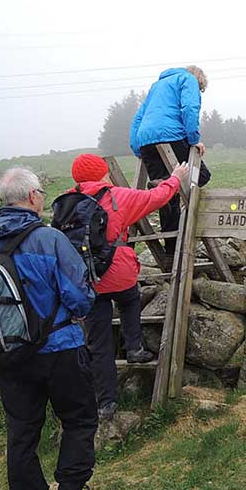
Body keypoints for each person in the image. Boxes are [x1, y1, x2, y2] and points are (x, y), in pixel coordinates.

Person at [0, 168, 106, 490]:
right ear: (34, 197)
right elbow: (79, 296)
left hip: (10, 355)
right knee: (79, 419)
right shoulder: (49, 239)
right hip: (59, 347)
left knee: (22, 433)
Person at [67, 153, 189, 421]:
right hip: (117, 271)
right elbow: (156, 198)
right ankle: (134, 348)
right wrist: (175, 179)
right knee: (130, 298)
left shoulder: (66, 204)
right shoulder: (116, 196)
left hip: (86, 279)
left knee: (99, 345)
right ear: (102, 173)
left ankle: (106, 403)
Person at [129, 65, 211, 265]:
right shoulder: (187, 79)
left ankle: (170, 254)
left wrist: (137, 148)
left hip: (146, 141)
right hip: (171, 136)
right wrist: (194, 140)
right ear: (199, 80)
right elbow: (189, 108)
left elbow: (138, 117)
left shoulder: (157, 86)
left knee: (166, 198)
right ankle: (170, 186)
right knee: (202, 175)